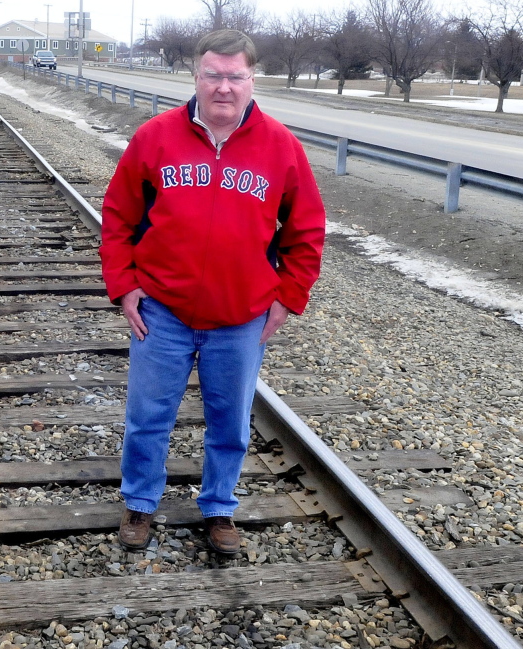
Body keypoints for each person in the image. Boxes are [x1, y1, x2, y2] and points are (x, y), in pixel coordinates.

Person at [99, 29, 325, 556]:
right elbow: (118, 216)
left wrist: (289, 296)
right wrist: (124, 285)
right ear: (196, 76)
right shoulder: (154, 137)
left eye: (235, 76)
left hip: (241, 315)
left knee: (230, 419)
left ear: (252, 79)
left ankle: (220, 508)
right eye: (213, 75)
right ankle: (139, 503)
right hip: (162, 310)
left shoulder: (281, 147)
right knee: (148, 414)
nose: (224, 87)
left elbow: (307, 230)